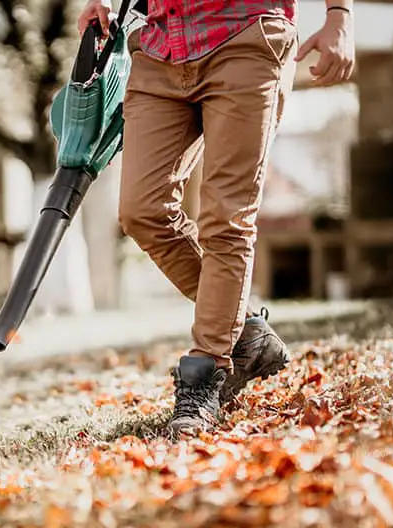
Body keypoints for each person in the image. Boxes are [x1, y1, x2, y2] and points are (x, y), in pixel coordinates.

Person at [77, 0, 355, 439]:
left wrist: (339, 14)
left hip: (245, 33)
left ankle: (204, 377)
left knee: (227, 217)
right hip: (159, 45)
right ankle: (246, 332)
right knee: (142, 211)